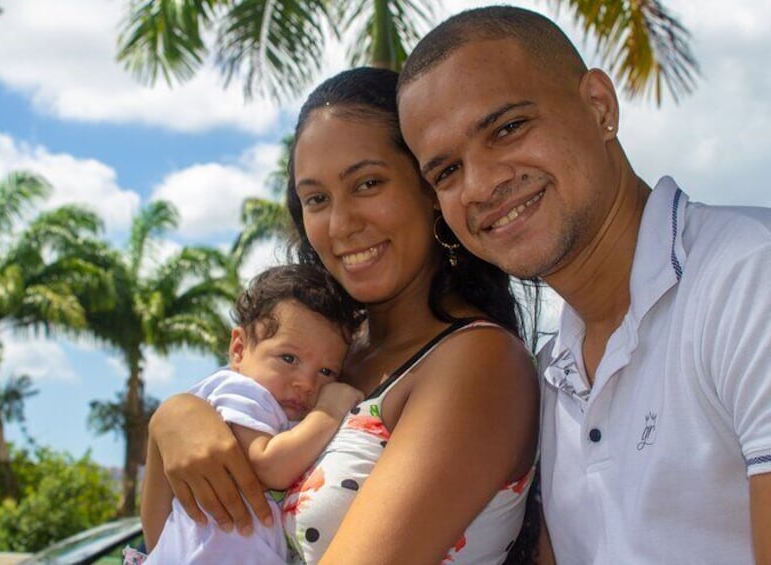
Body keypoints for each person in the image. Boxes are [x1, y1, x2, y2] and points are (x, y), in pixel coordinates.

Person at [396, 6, 771, 564]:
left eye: (507, 128)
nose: (480, 185)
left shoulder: (747, 278)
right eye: (446, 171)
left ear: (599, 106)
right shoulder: (553, 372)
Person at [142, 67, 540, 564]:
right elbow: (176, 543)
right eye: (316, 199)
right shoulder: (323, 362)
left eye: (368, 183)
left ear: (431, 186)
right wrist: (171, 422)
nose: (341, 223)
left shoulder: (479, 363)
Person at [137, 265, 364, 564]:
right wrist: (329, 411)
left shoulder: (286, 416)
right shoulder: (241, 391)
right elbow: (269, 466)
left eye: (326, 371)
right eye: (288, 358)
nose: (306, 383)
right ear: (239, 349)